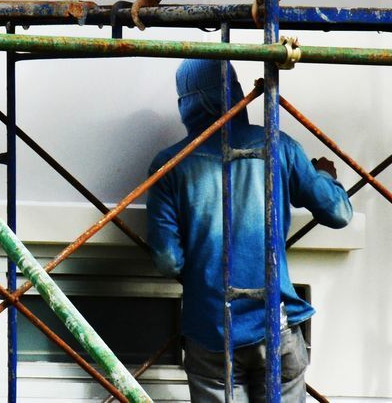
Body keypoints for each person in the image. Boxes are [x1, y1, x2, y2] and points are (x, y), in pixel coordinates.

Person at [147, 58, 353, 402]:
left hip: (210, 331)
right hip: (277, 325)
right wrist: (325, 177)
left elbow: (168, 260)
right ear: (236, 92)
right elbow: (338, 213)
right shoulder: (278, 145)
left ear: (187, 100)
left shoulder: (170, 165)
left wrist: (205, 276)